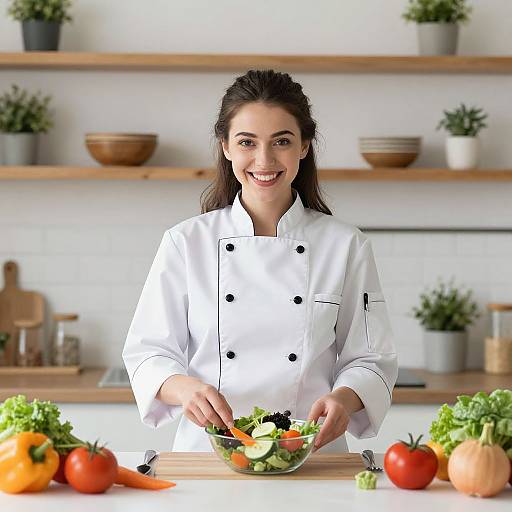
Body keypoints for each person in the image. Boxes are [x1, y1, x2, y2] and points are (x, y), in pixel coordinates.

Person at [122, 69, 398, 453]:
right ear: (226, 146)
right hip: (211, 453)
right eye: (247, 142)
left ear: (304, 145)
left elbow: (371, 358)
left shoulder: (345, 245)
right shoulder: (186, 242)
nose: (264, 160)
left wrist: (344, 399)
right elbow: (148, 352)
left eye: (281, 141)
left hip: (309, 453)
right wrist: (186, 389)